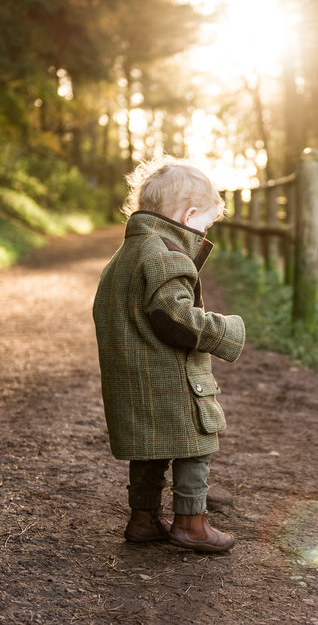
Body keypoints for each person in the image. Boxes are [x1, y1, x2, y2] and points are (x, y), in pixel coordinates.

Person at [92, 158, 246, 553]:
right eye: (206, 225)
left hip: (135, 375)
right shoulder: (167, 254)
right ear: (189, 215)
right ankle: (191, 523)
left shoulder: (125, 254)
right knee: (196, 445)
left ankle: (142, 519)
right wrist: (225, 330)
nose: (205, 233)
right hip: (170, 377)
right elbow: (173, 316)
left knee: (150, 447)